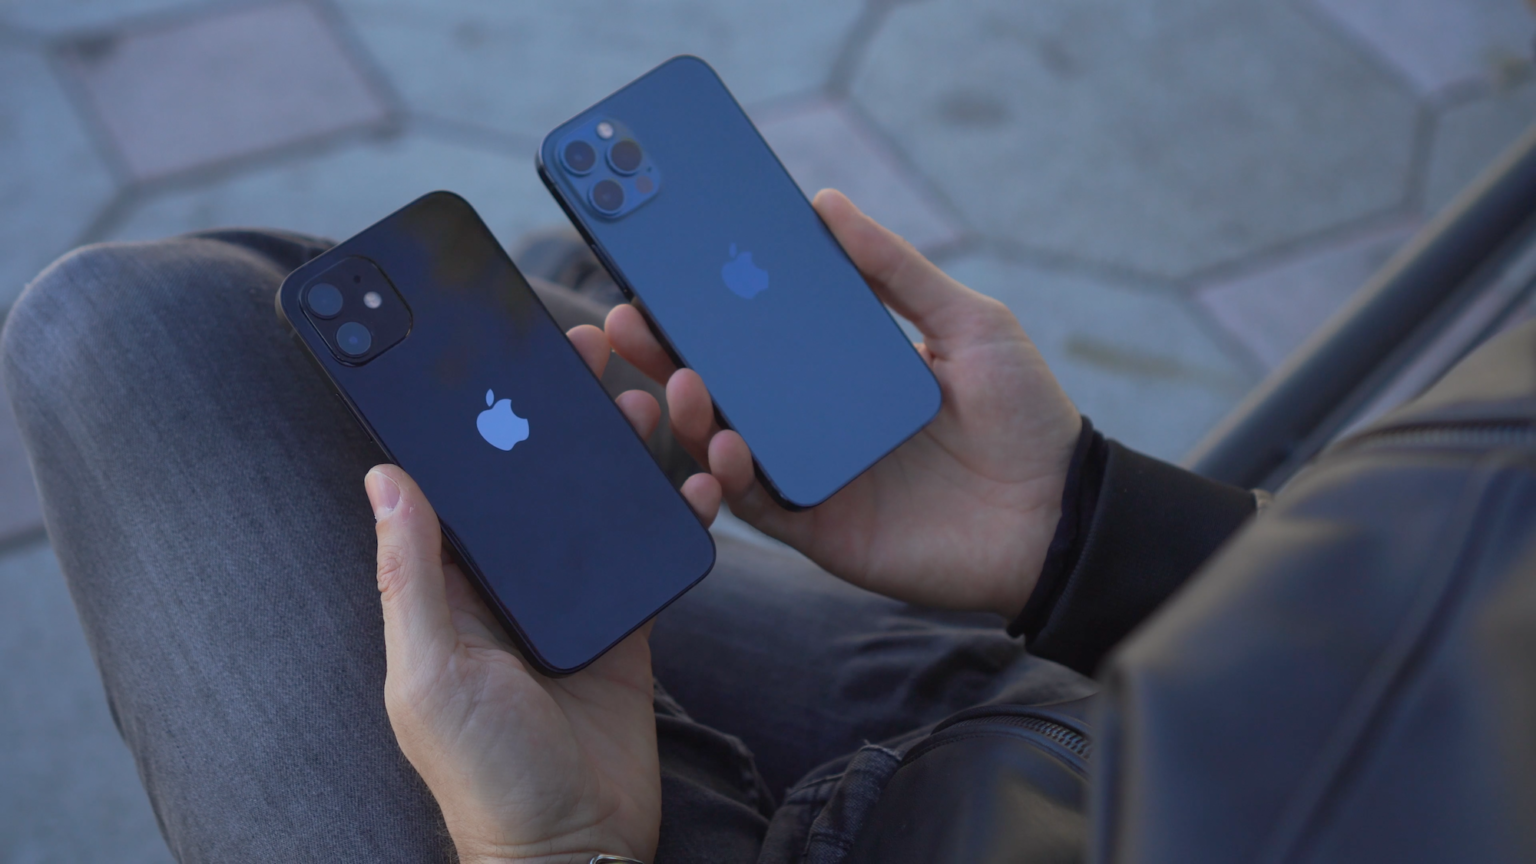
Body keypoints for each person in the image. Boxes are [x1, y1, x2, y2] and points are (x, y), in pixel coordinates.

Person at [6, 189, 1532, 864]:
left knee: (130, 330)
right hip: (1072, 741)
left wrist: (553, 848)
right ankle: (591, 323)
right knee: (523, 378)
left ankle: (584, 312)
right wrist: (1081, 530)